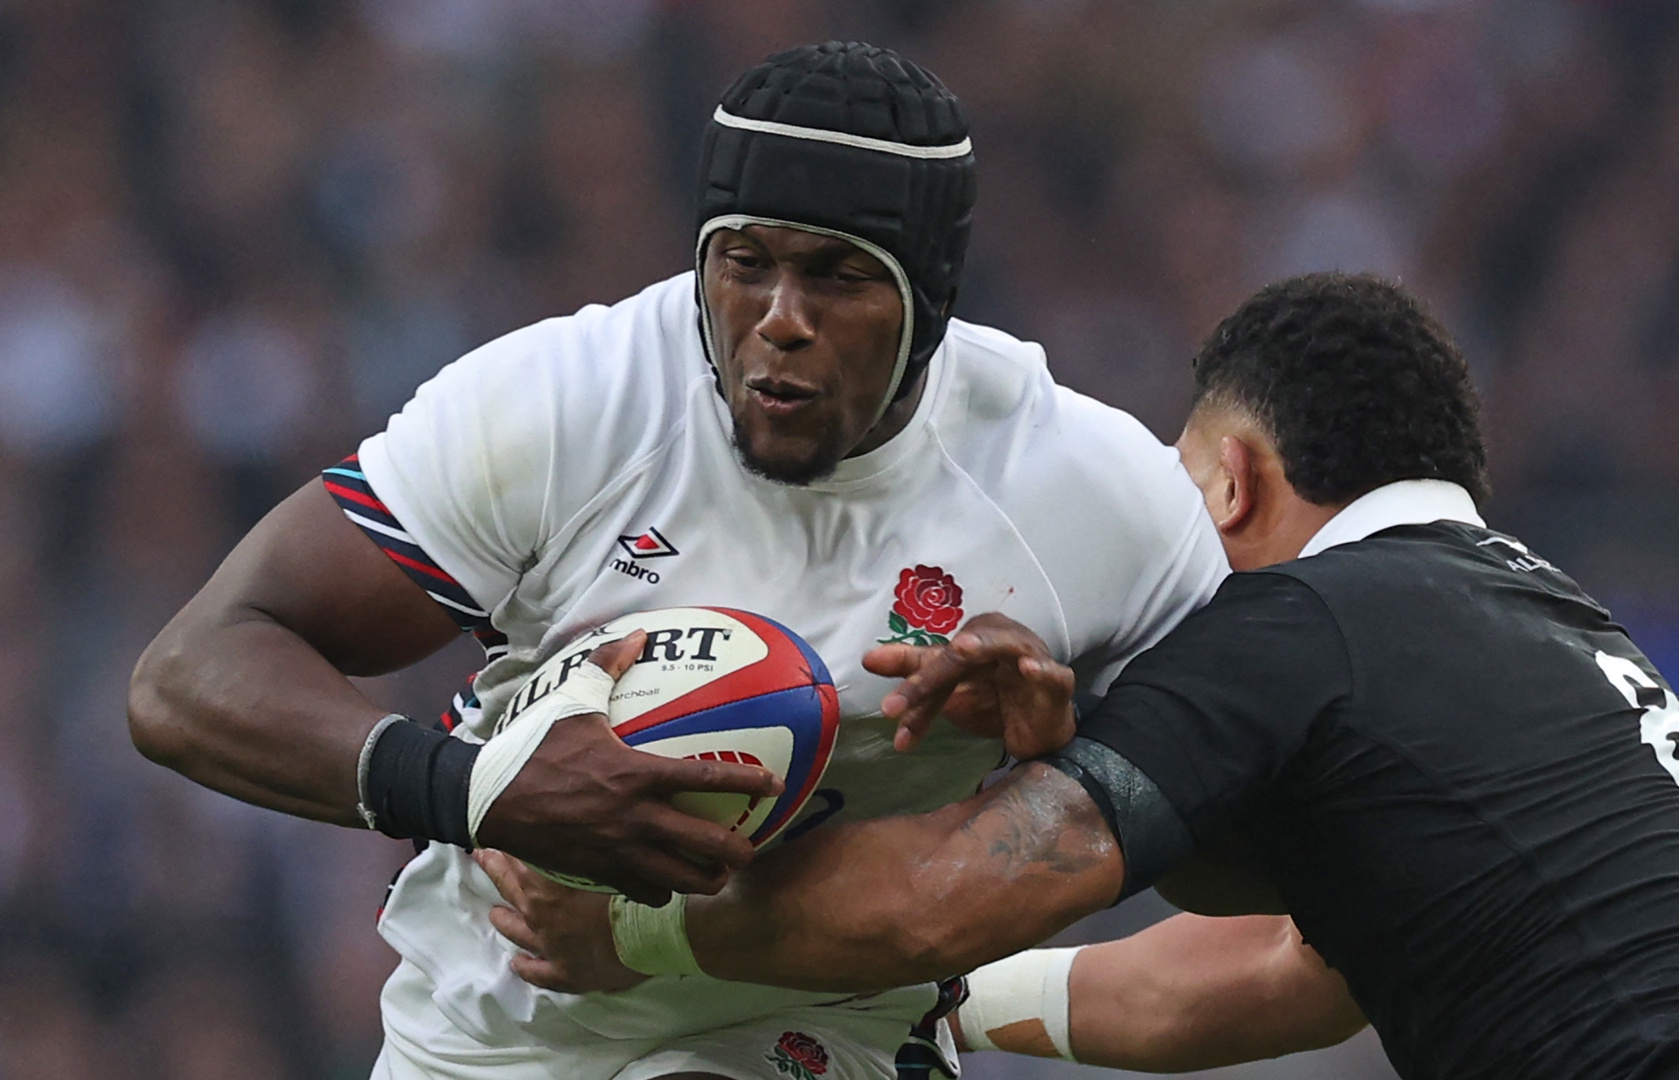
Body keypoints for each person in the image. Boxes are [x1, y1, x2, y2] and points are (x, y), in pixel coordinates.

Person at [126, 42, 1228, 1080]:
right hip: (493, 1028)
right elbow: (190, 676)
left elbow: (1270, 839)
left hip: (817, 1026)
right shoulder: (570, 404)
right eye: (744, 264)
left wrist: (1078, 751)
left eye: (839, 276)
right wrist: (477, 788)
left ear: (931, 297)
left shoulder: (1090, 494)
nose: (778, 319)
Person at [556, 273, 1679, 1080]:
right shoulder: (1543, 625)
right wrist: (954, 1001)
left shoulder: (1305, 626)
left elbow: (949, 895)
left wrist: (638, 938)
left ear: (1234, 477)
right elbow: (1287, 972)